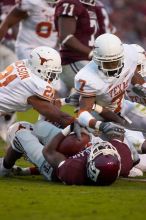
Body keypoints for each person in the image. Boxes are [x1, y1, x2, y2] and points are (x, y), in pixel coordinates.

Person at [0, 120, 133, 185]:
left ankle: (4, 167)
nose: (97, 146)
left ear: (89, 164)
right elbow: (118, 133)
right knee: (43, 127)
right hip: (72, 153)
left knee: (20, 132)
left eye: (95, 149)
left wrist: (68, 128)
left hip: (52, 167)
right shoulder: (123, 159)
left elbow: (49, 152)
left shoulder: (72, 171)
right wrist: (101, 126)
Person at [0, 46, 82, 141]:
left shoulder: (22, 63)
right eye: (50, 74)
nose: (53, 77)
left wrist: (65, 101)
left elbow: (48, 105)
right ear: (39, 69)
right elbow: (57, 115)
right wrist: (75, 123)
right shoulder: (35, 84)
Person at [74, 33, 146, 133]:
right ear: (97, 60)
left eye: (115, 62)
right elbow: (83, 112)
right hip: (101, 117)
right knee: (130, 144)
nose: (113, 66)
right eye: (107, 63)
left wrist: (143, 86)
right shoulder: (88, 77)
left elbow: (132, 70)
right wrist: (100, 125)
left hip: (123, 106)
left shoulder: (130, 53)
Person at [54, 0, 114, 95]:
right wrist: (92, 54)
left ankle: (71, 99)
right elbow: (66, 38)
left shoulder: (91, 6)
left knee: (113, 90)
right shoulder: (71, 3)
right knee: (106, 94)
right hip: (73, 61)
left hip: (88, 62)